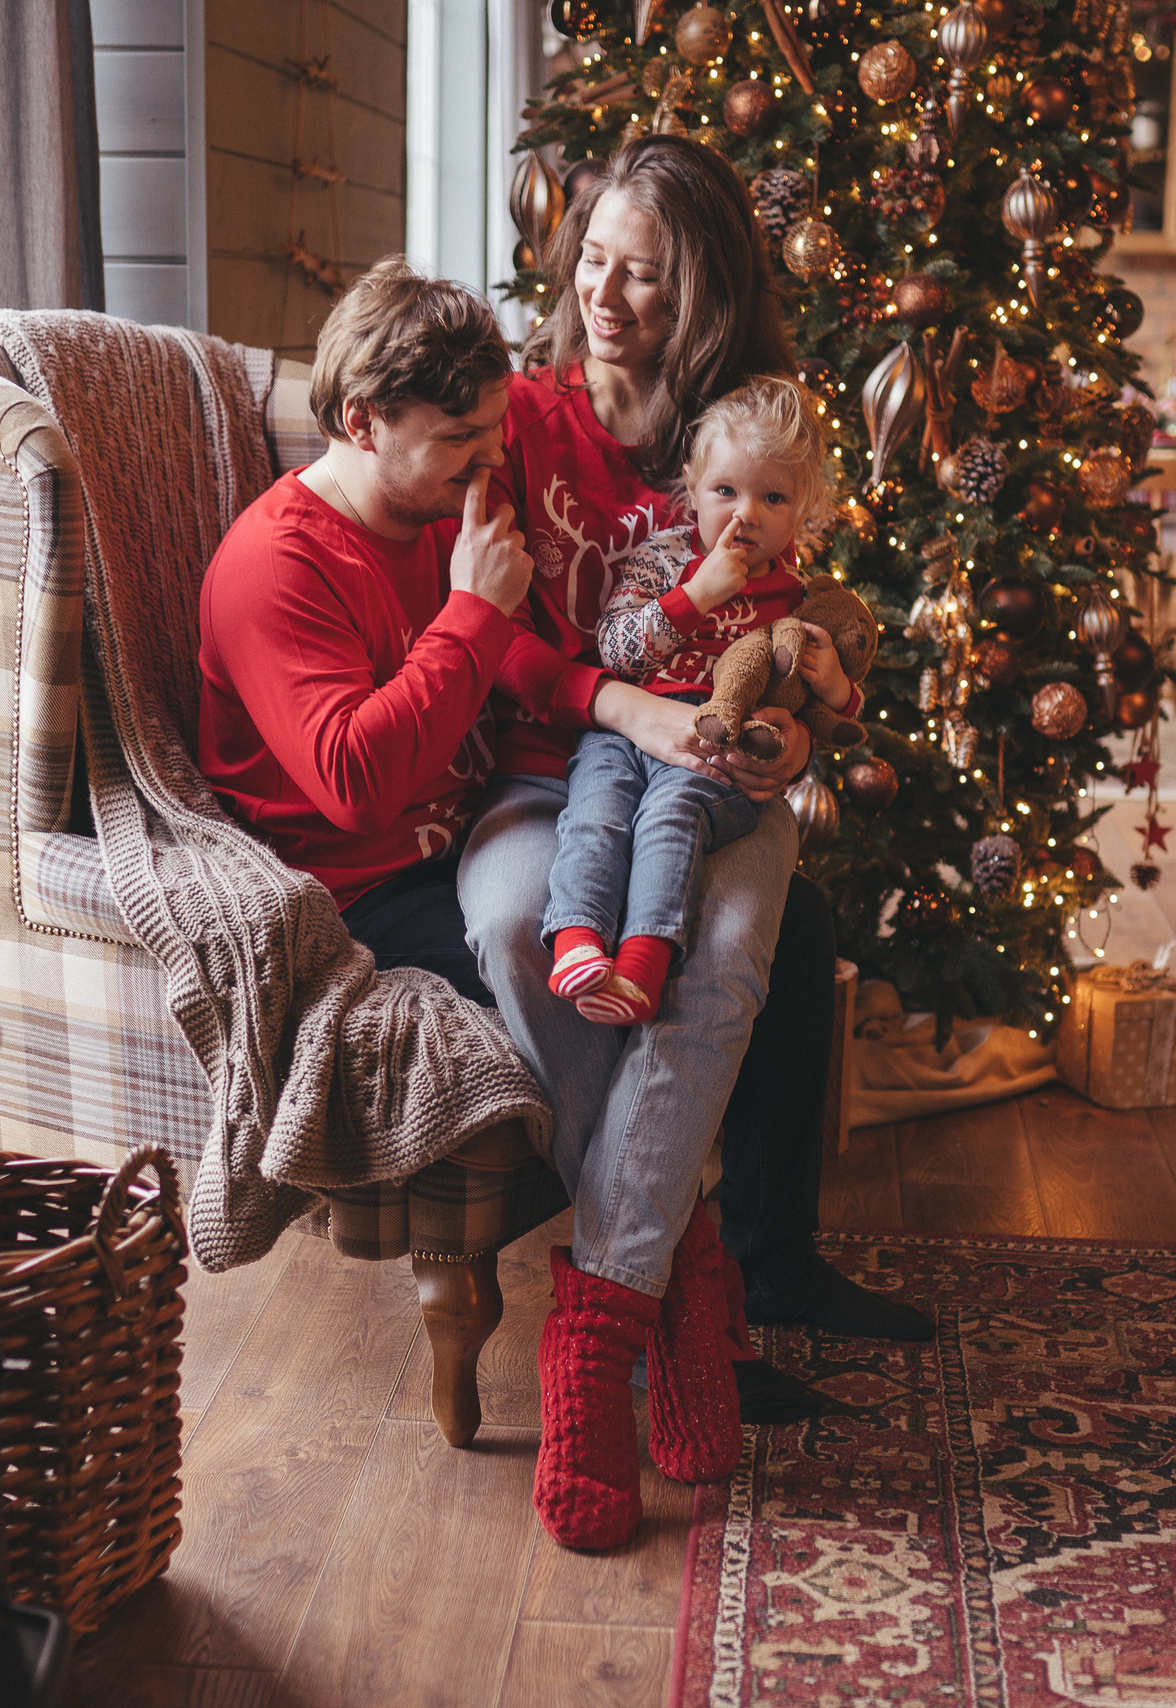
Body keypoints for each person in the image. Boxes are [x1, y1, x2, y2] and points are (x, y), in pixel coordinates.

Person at [196, 259, 749, 1554]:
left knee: (687, 947)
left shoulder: (441, 506)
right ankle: (662, 1300)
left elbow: (514, 664)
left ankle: (675, 1282)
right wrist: (467, 611)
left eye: (492, 436)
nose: (481, 466)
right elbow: (350, 783)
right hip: (361, 891)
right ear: (359, 424)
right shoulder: (274, 566)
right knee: (602, 1001)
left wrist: (621, 708)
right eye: (456, 445)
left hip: (469, 832)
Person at [467, 135, 935, 1382]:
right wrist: (622, 706)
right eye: (594, 265)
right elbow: (487, 639)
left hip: (712, 775)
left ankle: (742, 1266)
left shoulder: (744, 437)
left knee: (739, 945)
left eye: (648, 280)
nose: (603, 303)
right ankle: (669, 1284)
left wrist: (795, 732)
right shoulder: (519, 424)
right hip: (543, 764)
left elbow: (804, 628)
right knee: (524, 924)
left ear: (706, 297)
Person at [544, 375, 857, 1026]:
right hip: (625, 732)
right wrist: (697, 596)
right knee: (595, 812)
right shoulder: (664, 559)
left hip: (717, 750)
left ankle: (641, 966)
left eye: (772, 498)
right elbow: (616, 651)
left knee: (668, 820)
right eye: (725, 491)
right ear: (692, 488)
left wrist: (831, 684)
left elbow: (829, 712)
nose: (746, 515)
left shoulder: (799, 598)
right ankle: (577, 940)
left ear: (803, 510)